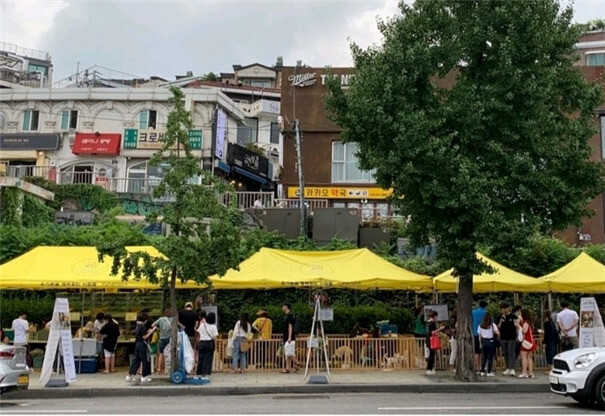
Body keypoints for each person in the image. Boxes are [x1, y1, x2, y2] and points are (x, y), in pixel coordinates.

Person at [126, 311, 156, 383]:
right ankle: (144, 376)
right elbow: (144, 337)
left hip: (137, 344)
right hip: (142, 345)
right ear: (145, 320)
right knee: (145, 359)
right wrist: (152, 331)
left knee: (136, 360)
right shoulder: (142, 326)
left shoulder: (137, 326)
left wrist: (147, 331)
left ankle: (130, 376)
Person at [497, 302, 518, 376]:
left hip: (511, 337)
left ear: (508, 308)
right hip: (503, 337)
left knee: (511, 352)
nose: (504, 310)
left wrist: (517, 335)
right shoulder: (500, 317)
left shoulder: (513, 316)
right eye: (502, 309)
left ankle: (512, 368)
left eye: (505, 308)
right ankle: (508, 367)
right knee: (505, 353)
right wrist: (501, 321)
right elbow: (498, 327)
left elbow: (516, 326)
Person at [152, 308, 173, 375]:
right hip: (170, 338)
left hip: (162, 338)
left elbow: (152, 325)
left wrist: (158, 329)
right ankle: (167, 369)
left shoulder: (160, 319)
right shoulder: (172, 319)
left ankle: (159, 369)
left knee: (161, 354)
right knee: (169, 353)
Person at [281, 302, 301, 373]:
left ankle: (297, 363)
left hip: (289, 337)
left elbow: (290, 326)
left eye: (283, 306)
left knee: (289, 353)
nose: (282, 307)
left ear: (286, 306)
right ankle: (287, 368)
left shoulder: (290, 316)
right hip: (288, 336)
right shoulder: (288, 315)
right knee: (288, 352)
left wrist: (289, 337)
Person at [478, 312, 500, 376]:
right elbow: (497, 333)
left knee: (484, 357)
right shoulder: (493, 325)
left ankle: (482, 370)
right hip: (491, 341)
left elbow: (480, 336)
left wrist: (480, 343)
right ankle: (489, 371)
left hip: (484, 341)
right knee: (490, 357)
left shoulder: (480, 325)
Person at [196, 312, 218, 377]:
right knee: (208, 359)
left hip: (202, 342)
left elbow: (199, 333)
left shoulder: (202, 325)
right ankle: (205, 373)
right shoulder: (214, 327)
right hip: (209, 343)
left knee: (201, 358)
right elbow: (214, 337)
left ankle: (199, 372)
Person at [517, 309, 537, 378]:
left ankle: (524, 372)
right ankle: (530, 372)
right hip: (530, 341)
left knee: (524, 357)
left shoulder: (525, 322)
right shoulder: (529, 322)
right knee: (529, 357)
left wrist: (519, 326)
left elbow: (524, 331)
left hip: (526, 341)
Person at [425, 310, 444, 375]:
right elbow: (432, 332)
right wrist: (440, 329)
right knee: (432, 355)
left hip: (428, 339)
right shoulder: (432, 323)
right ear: (434, 316)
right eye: (436, 316)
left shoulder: (427, 323)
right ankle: (429, 368)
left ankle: (430, 368)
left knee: (431, 354)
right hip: (432, 340)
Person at [471, 300, 488, 372]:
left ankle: (477, 367)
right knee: (485, 352)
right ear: (486, 306)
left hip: (475, 333)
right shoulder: (487, 313)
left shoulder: (473, 312)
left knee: (476, 352)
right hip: (485, 334)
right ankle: (485, 367)